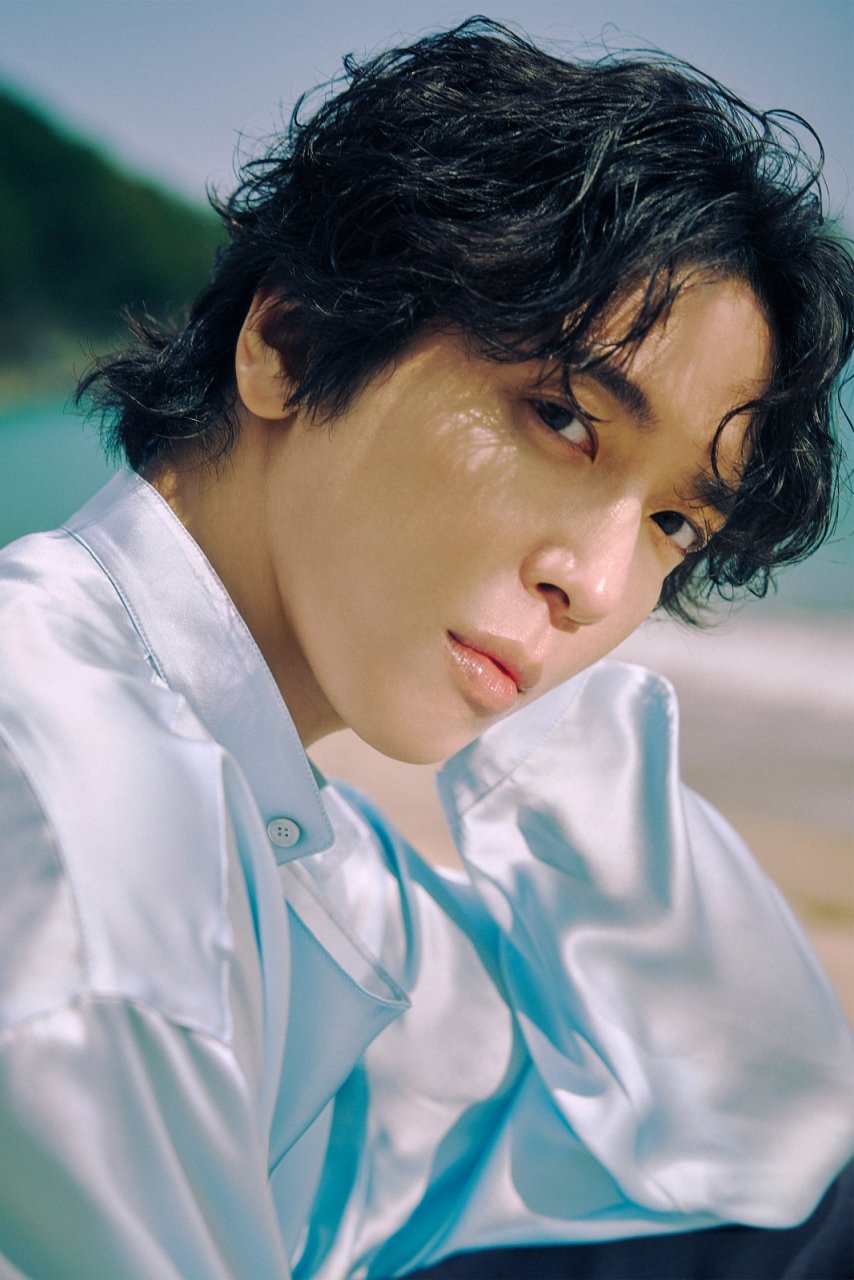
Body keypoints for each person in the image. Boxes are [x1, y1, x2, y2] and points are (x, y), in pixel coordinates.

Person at [0, 17, 852, 1279]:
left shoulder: (282, 819)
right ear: (290, 340)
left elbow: (753, 1129)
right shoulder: (80, 828)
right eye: (561, 417)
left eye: (674, 523)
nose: (596, 584)